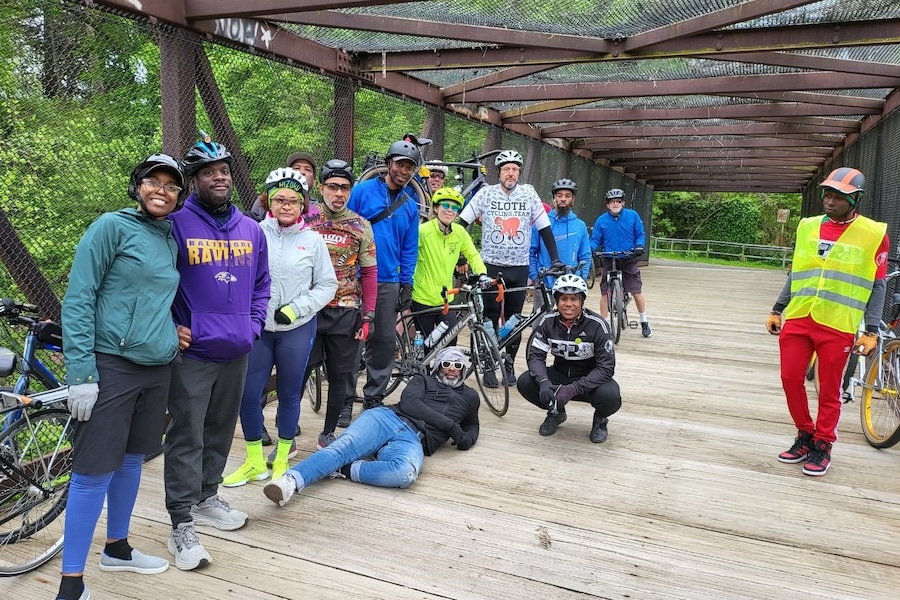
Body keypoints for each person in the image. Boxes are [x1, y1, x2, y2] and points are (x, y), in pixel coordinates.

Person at [56, 154, 187, 600]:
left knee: (133, 460)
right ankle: (71, 583)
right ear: (138, 186)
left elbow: (155, 298)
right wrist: (81, 373)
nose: (162, 190)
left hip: (156, 369)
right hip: (111, 365)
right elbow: (79, 299)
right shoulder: (110, 227)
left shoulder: (168, 236)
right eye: (154, 181)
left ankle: (118, 547)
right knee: (92, 472)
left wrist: (171, 333)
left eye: (171, 186)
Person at [164, 133, 271, 570]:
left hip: (237, 347)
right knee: (186, 432)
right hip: (193, 352)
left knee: (221, 429)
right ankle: (180, 522)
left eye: (224, 170)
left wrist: (255, 322)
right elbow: (156, 282)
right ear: (193, 181)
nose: (219, 178)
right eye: (209, 173)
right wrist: (171, 326)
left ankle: (208, 496)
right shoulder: (175, 224)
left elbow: (262, 283)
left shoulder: (251, 229)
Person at [767, 167, 889, 477]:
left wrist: (872, 330)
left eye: (838, 196)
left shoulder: (874, 234)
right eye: (827, 194)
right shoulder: (807, 226)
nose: (830, 201)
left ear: (855, 199)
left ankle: (824, 444)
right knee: (789, 378)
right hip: (799, 316)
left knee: (830, 389)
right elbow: (797, 272)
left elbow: (878, 284)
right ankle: (805, 435)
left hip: (838, 322)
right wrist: (777, 308)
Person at [222, 168, 336, 487]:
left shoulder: (313, 241)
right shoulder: (252, 232)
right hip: (258, 327)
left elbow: (327, 284)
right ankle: (255, 460)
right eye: (279, 199)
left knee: (288, 393)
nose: (286, 206)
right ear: (269, 202)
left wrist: (297, 308)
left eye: (293, 201)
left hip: (296, 327)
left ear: (303, 206)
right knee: (247, 395)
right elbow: (236, 274)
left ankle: (283, 458)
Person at [263, 346, 480, 506]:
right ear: (438, 365)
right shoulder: (422, 380)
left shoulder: (471, 397)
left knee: (405, 474)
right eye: (447, 364)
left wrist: (466, 440)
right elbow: (409, 403)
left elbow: (473, 425)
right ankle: (289, 482)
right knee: (342, 447)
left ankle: (342, 469)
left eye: (458, 365)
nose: (452, 369)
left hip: (414, 440)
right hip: (387, 418)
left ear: (463, 370)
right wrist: (450, 426)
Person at [457, 149, 563, 385]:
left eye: (515, 169)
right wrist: (459, 256)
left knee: (516, 319)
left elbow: (545, 228)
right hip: (490, 266)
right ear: (499, 173)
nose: (511, 173)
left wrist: (555, 258)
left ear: (519, 173)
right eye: (506, 169)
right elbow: (461, 223)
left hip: (519, 267)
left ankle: (508, 363)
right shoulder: (486, 194)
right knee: (490, 318)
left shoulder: (528, 194)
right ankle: (487, 365)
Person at [303, 159, 378, 442]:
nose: (339, 194)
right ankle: (288, 431)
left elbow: (370, 272)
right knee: (299, 372)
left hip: (345, 310)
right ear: (321, 188)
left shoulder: (361, 225)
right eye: (333, 187)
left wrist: (368, 315)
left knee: (339, 375)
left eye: (345, 188)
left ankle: (328, 432)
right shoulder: (304, 218)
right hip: (307, 309)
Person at [347, 139, 420, 409]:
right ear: (389, 163)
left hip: (389, 279)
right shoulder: (363, 191)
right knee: (353, 340)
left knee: (385, 341)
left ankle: (373, 397)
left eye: (409, 167)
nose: (403, 170)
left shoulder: (410, 206)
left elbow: (410, 249)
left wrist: (407, 284)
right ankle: (343, 399)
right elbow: (347, 226)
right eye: (400, 164)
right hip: (357, 277)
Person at [517, 274, 621, 443]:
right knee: (525, 382)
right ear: (556, 301)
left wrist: (573, 389)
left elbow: (606, 368)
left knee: (610, 395)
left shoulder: (598, 325)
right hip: (560, 373)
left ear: (582, 301)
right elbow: (536, 356)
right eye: (563, 298)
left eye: (574, 299)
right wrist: (543, 381)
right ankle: (556, 412)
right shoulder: (547, 322)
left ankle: (600, 420)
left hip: (589, 379)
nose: (569, 304)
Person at [412, 187, 489, 342]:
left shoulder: (459, 232)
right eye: (445, 206)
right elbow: (406, 256)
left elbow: (473, 255)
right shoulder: (422, 231)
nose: (450, 210)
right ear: (436, 208)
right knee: (427, 345)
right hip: (422, 297)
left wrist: (482, 273)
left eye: (454, 208)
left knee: (450, 342)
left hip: (447, 298)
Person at [590, 188, 652, 338]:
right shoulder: (601, 220)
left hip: (628, 256)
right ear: (607, 205)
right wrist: (590, 249)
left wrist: (638, 246)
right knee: (605, 292)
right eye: (612, 202)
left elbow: (640, 234)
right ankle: (604, 325)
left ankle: (644, 321)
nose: (615, 204)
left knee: (636, 290)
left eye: (618, 201)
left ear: (623, 203)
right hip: (609, 258)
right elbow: (595, 239)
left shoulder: (633, 216)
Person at [530, 179, 591, 312]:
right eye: (559, 195)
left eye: (567, 196)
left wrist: (583, 278)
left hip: (571, 283)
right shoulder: (541, 223)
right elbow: (531, 252)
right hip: (545, 282)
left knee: (571, 323)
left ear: (573, 200)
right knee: (540, 323)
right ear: (554, 199)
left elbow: (585, 255)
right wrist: (534, 277)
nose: (563, 199)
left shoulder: (580, 225)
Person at [248, 151, 317, 221]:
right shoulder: (262, 201)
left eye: (294, 201)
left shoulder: (319, 209)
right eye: (296, 168)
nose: (301, 172)